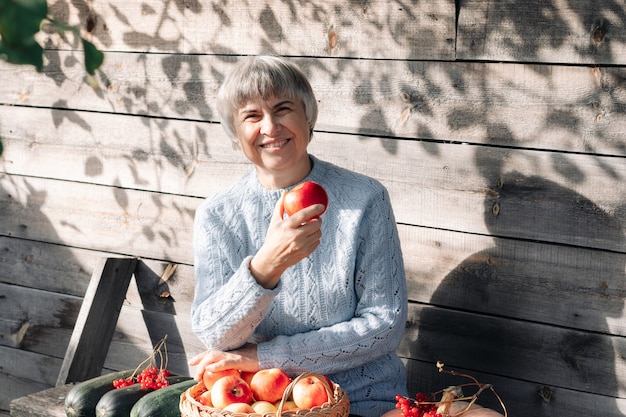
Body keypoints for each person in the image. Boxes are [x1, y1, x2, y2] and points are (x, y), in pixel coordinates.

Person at [188, 55, 408, 417]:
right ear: (235, 132)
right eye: (252, 115)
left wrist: (265, 357)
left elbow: (384, 324)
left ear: (308, 117)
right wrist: (265, 268)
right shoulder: (218, 215)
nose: (270, 127)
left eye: (283, 108)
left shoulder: (364, 199)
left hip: (364, 400)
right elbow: (214, 334)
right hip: (266, 406)